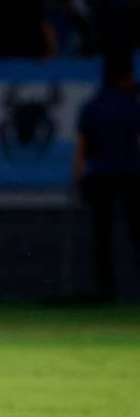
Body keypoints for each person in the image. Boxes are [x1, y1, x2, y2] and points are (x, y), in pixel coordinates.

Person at [74, 53, 140, 301]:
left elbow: (82, 147)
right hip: (130, 175)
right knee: (136, 235)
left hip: (99, 176)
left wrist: (78, 177)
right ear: (122, 78)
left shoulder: (92, 106)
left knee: (102, 237)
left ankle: (105, 290)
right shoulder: (133, 106)